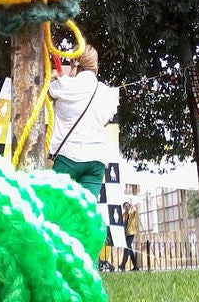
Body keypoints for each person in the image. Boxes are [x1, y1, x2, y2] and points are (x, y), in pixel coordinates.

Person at [48, 44, 119, 199]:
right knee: (85, 210)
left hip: (67, 157)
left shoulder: (63, 85)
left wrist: (53, 76)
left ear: (73, 62)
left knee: (55, 208)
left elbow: (43, 97)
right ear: (95, 65)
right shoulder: (108, 94)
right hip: (96, 160)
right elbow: (105, 121)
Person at [119, 202, 139, 271]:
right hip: (125, 234)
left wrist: (132, 206)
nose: (127, 207)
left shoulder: (132, 213)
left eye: (128, 206)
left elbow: (135, 211)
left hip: (131, 233)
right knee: (129, 250)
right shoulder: (123, 215)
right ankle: (135, 266)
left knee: (126, 248)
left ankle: (122, 265)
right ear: (123, 208)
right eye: (125, 206)